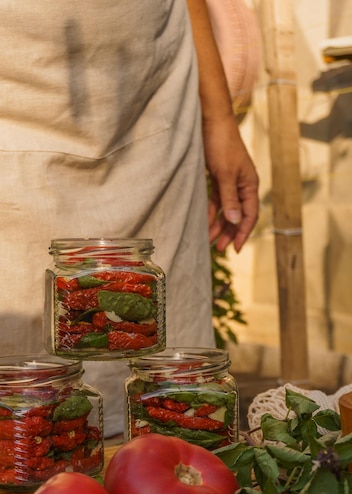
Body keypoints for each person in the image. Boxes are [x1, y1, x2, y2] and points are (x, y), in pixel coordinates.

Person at [0, 0, 259, 437]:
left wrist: (219, 121)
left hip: (151, 99)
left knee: (167, 395)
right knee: (26, 397)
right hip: (15, 87)